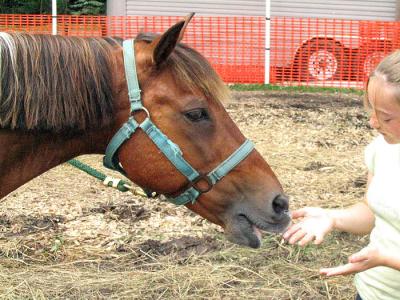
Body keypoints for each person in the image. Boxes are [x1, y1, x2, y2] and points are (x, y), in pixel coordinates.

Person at [283, 49, 400, 300]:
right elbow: (370, 213)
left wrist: (387, 259)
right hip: (372, 292)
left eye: (385, 117)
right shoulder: (382, 148)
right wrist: (332, 218)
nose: (373, 122)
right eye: (372, 109)